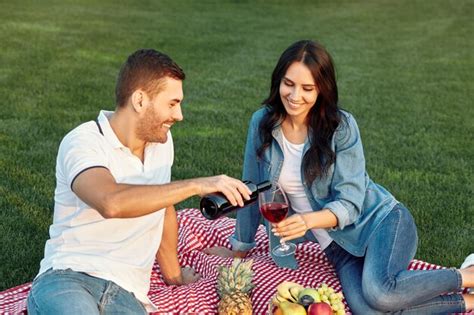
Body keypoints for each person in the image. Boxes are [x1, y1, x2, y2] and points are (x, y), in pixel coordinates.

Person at [206, 40, 474, 314]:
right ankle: (467, 301)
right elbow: (249, 188)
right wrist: (240, 249)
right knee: (367, 310)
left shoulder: (341, 127)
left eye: (307, 88)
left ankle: (468, 275)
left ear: (322, 89)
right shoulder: (262, 123)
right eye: (289, 84)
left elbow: (350, 202)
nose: (295, 95)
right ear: (278, 82)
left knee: (381, 293)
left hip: (380, 223)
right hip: (338, 248)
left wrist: (306, 221)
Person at [26, 49, 252, 314]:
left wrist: (174, 274)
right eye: (172, 103)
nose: (179, 115)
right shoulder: (83, 142)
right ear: (140, 100)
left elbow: (162, 203)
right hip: (69, 276)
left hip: (128, 293)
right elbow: (110, 202)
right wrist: (195, 185)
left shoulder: (161, 143)